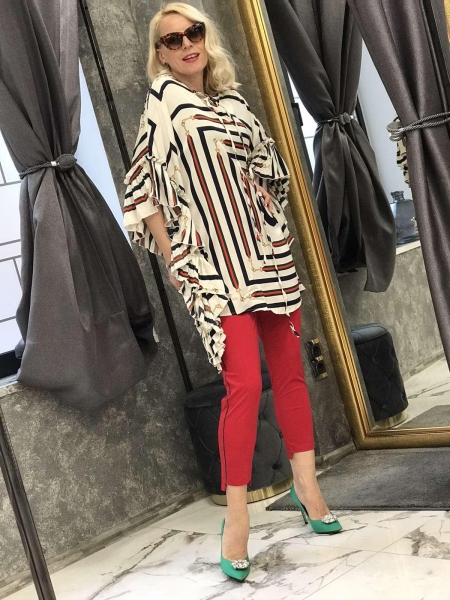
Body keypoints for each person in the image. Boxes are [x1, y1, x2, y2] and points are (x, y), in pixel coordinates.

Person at [123, 1, 342, 582]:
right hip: (216, 268)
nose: (186, 44)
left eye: (193, 32)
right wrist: (174, 256)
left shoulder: (235, 102)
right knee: (243, 384)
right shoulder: (163, 106)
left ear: (205, 37)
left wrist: (267, 206)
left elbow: (272, 167)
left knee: (289, 374)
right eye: (172, 39)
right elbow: (141, 188)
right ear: (160, 53)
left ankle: (306, 487)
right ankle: (237, 517)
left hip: (266, 253)